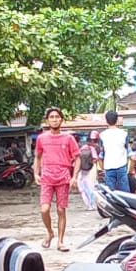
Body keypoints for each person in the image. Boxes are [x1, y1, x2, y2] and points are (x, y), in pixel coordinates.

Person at [32, 106, 80, 250]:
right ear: (47, 120)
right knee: (44, 209)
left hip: (63, 177)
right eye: (51, 117)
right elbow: (38, 156)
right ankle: (50, 233)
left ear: (61, 120)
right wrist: (36, 173)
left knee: (61, 210)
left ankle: (60, 241)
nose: (54, 119)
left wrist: (74, 177)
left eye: (57, 117)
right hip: (47, 176)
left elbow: (77, 158)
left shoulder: (69, 138)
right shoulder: (41, 138)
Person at [99, 109, 130, 192]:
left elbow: (101, 155)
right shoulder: (124, 134)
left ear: (106, 121)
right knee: (125, 194)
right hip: (122, 167)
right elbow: (129, 151)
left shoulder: (102, 135)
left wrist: (102, 169)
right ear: (117, 120)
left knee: (110, 195)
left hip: (108, 168)